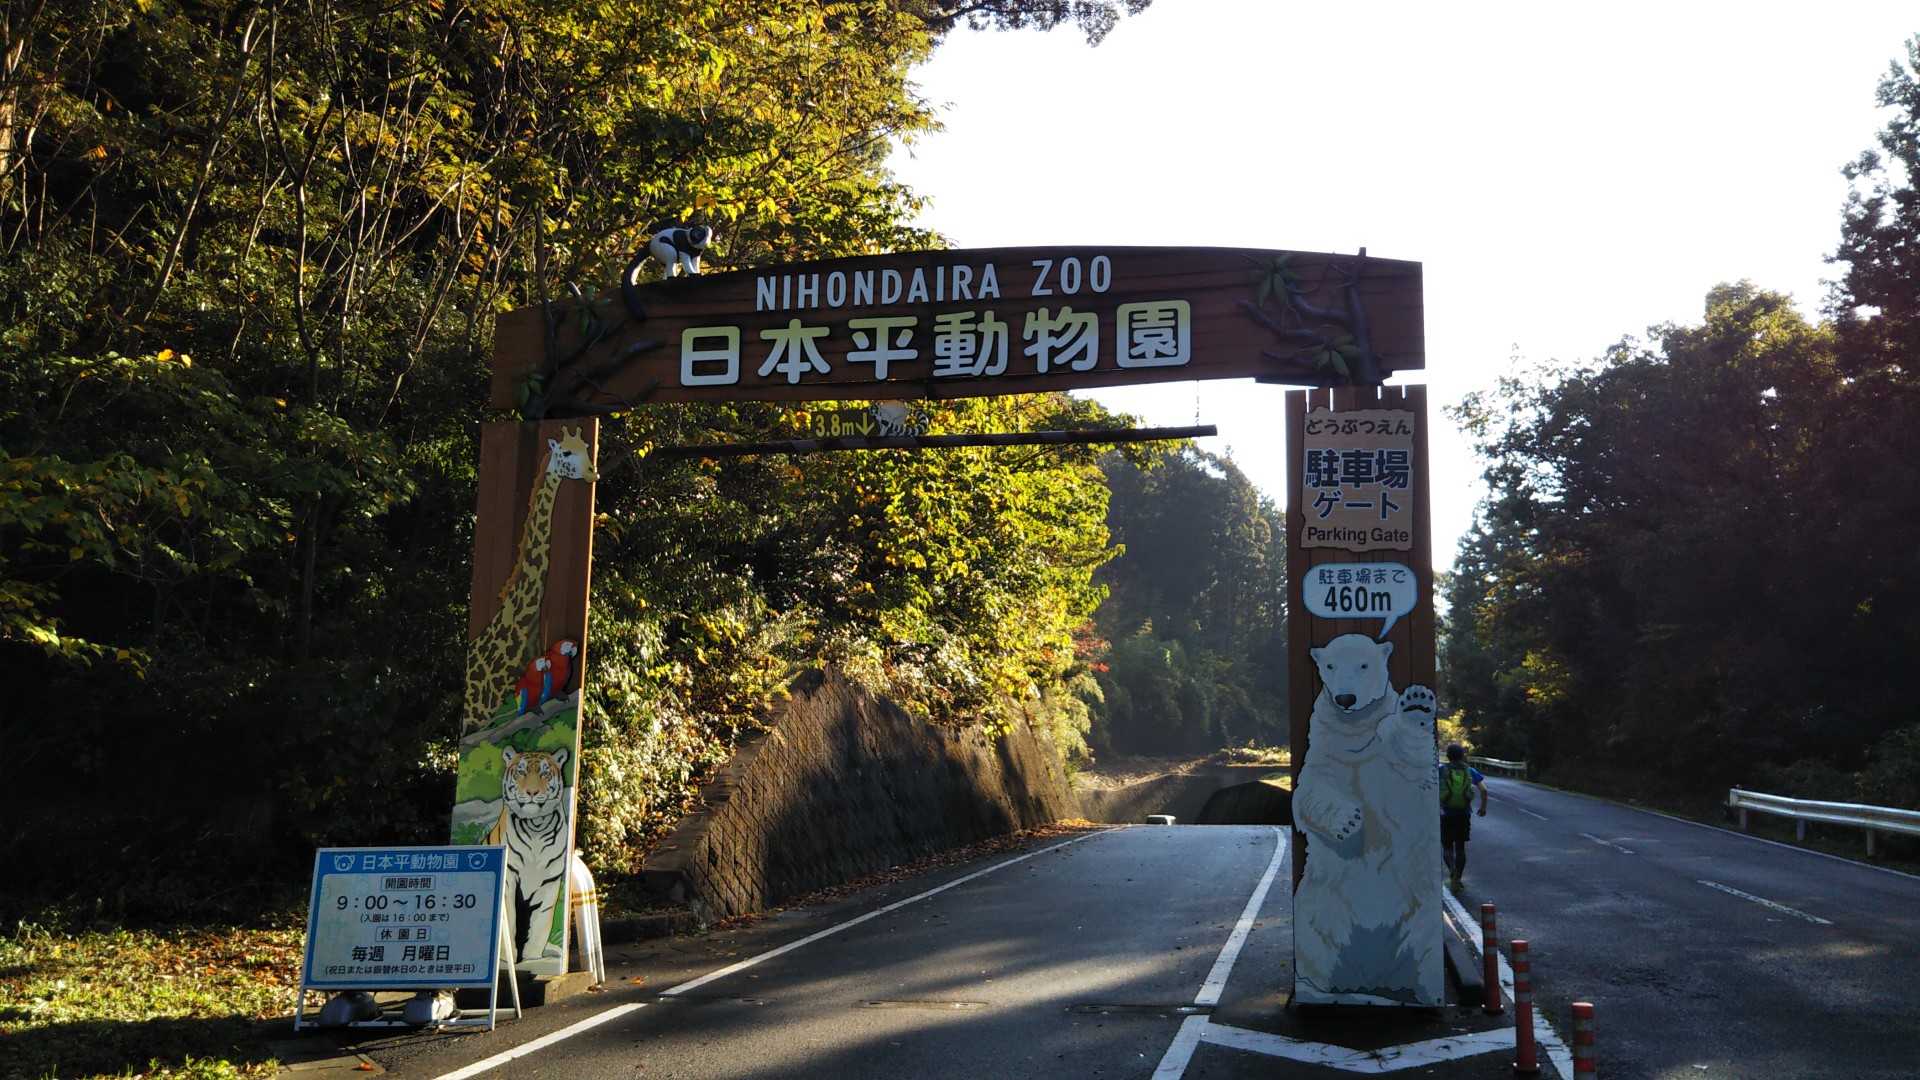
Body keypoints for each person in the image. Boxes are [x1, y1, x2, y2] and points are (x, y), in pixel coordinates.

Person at [1438, 743, 1487, 890]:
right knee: (1460, 847)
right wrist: (1483, 808)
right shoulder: (1469, 770)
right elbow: (1484, 790)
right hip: (1464, 813)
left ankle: (1452, 870)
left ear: (1448, 756)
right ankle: (1457, 877)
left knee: (1447, 847)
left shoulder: (1441, 770)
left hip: (1445, 814)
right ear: (1462, 756)